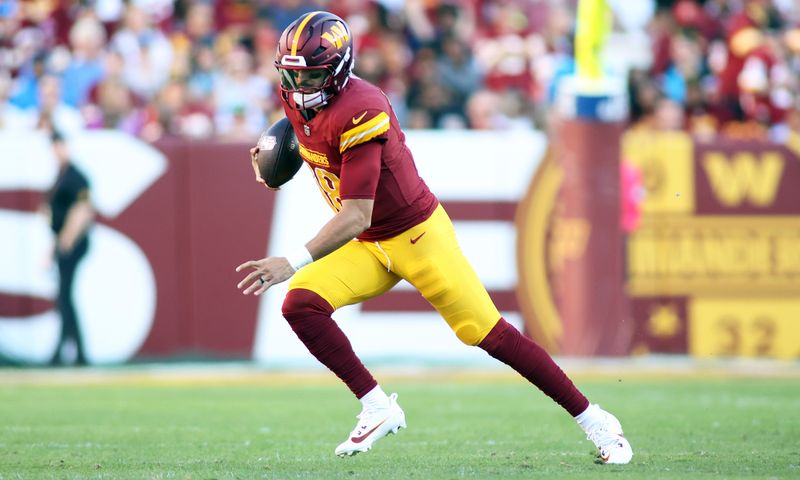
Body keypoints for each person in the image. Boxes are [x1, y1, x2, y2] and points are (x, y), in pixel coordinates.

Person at [236, 11, 633, 464]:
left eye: (313, 75)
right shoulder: (297, 99)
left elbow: (355, 214)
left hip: (415, 236)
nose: (300, 87)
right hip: (371, 246)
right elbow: (310, 144)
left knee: (491, 335)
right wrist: (271, 167)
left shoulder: (361, 108)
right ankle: (377, 406)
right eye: (291, 75)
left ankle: (596, 421)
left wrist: (291, 259)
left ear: (341, 69)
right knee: (300, 305)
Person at [45, 131, 94, 365]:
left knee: (64, 296)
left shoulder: (75, 177)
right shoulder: (60, 176)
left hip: (72, 244)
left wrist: (66, 240)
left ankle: (70, 352)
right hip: (63, 242)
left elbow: (82, 210)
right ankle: (74, 352)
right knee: (64, 298)